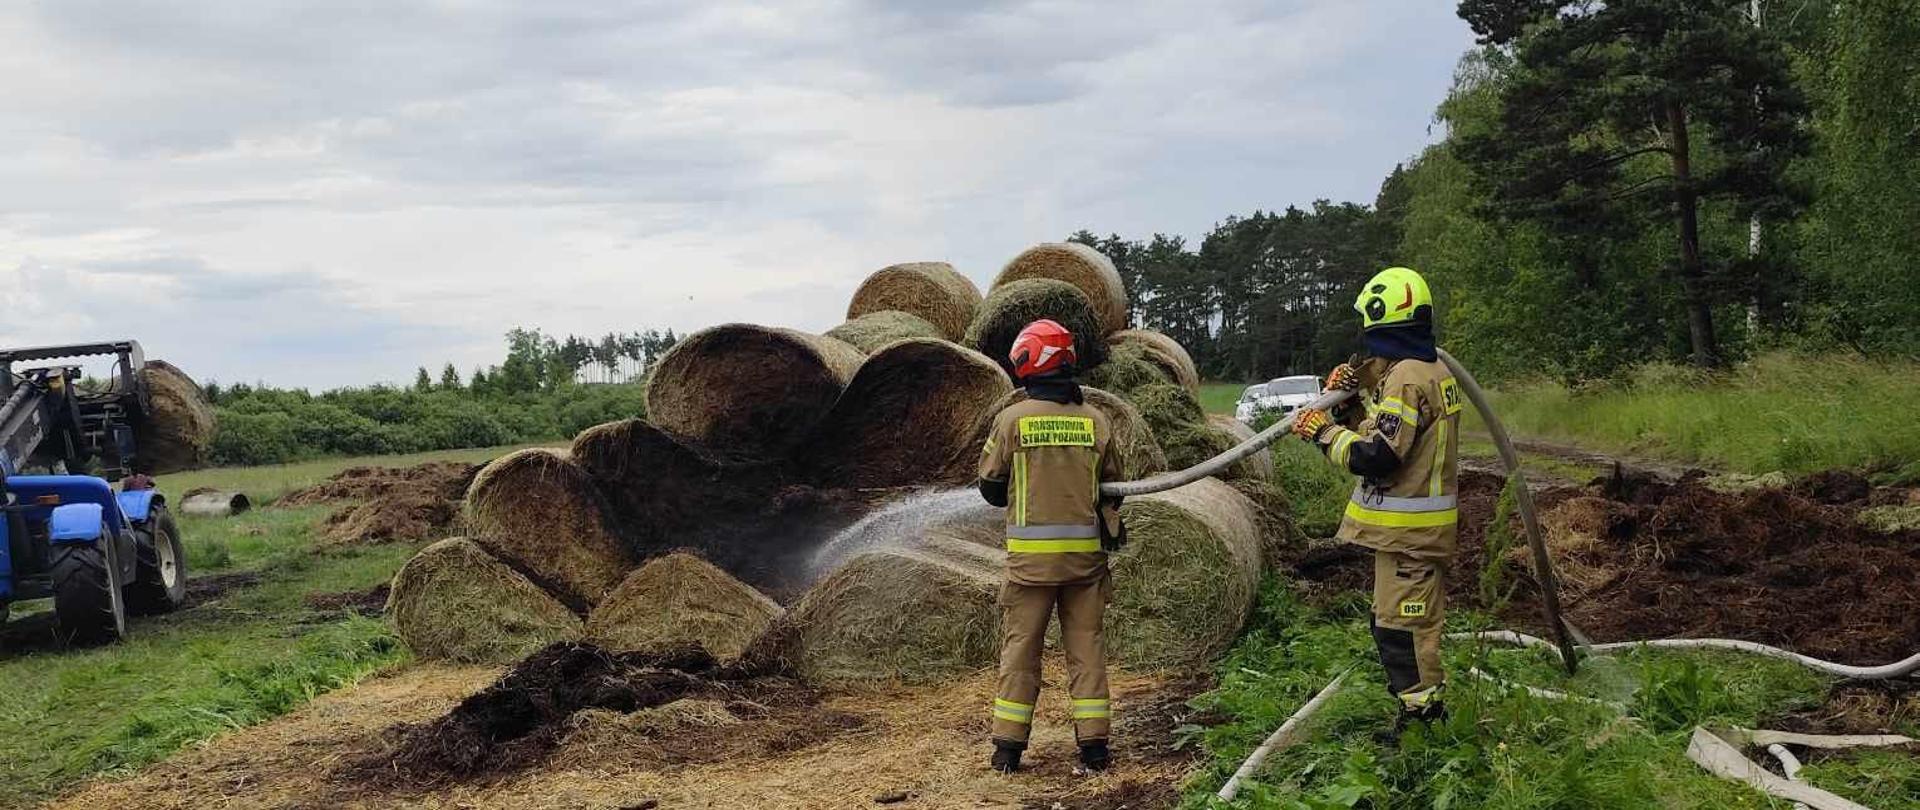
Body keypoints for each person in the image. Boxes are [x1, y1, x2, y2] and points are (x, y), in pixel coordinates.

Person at [1291, 266, 1463, 735]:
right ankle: (1418, 717)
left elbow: (1380, 455)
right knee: (1390, 625)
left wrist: (1324, 433)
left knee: (1402, 634)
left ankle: (1425, 728)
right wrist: (1348, 407)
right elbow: (1385, 430)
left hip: (1414, 538)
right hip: (1407, 537)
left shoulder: (1408, 375)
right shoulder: (1422, 368)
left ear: (1381, 317)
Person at [976, 318, 1126, 775]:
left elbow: (990, 487)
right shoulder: (1095, 420)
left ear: (1029, 361)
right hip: (1085, 564)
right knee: (1087, 649)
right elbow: (1115, 488)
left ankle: (1007, 750)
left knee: (1021, 651)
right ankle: (1095, 749)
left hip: (1031, 569)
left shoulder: (1012, 420)